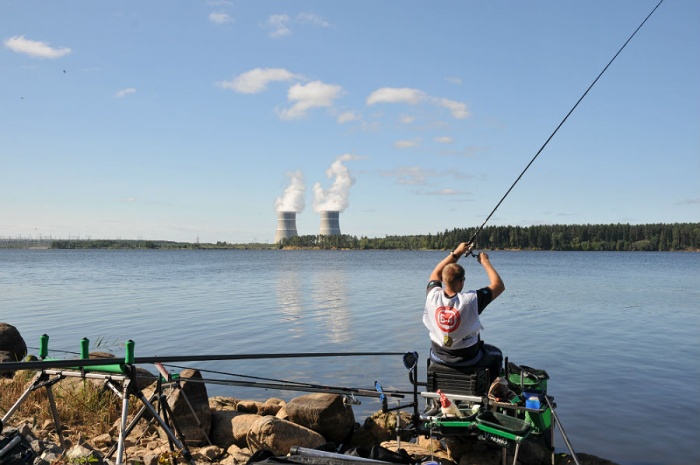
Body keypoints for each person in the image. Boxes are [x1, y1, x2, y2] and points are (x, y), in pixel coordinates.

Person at [423, 242, 505, 383]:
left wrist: (457, 252)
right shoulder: (471, 300)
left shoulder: (432, 296)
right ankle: (492, 393)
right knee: (496, 355)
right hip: (468, 357)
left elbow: (436, 272)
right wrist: (485, 261)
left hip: (438, 355)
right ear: (461, 282)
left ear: (443, 280)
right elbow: (499, 285)